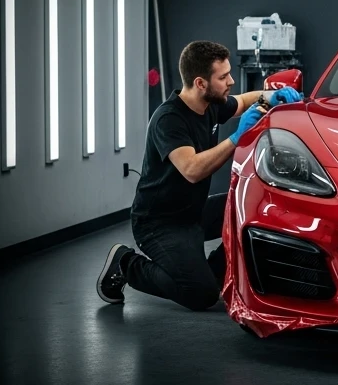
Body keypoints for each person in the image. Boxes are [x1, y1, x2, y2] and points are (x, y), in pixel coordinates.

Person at [96, 40, 303, 308]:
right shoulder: (169, 119)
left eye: (229, 73)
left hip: (193, 212)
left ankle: (201, 270)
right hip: (160, 223)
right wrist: (236, 138)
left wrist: (270, 96)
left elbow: (241, 101)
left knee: (254, 206)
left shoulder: (210, 104)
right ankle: (125, 263)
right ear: (200, 83)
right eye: (223, 76)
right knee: (200, 294)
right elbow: (192, 170)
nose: (230, 81)